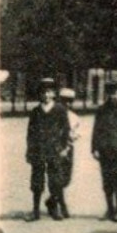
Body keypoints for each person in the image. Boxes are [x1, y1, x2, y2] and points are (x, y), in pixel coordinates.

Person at [25, 80, 70, 222]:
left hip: (54, 149)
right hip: (38, 150)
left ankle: (55, 209)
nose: (46, 95)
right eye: (43, 92)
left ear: (54, 93)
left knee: (55, 180)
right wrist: (29, 151)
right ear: (39, 94)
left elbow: (66, 130)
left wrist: (63, 148)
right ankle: (35, 210)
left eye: (49, 92)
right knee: (37, 180)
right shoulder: (35, 111)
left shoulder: (60, 110)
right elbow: (30, 133)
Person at [91, 80, 117, 222]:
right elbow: (96, 130)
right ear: (106, 94)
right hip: (104, 149)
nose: (113, 96)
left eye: (115, 93)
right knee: (106, 180)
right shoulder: (101, 109)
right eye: (110, 93)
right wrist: (94, 148)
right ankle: (109, 208)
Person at [57, 87, 81, 217]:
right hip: (57, 149)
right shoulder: (54, 115)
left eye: (69, 101)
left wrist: (74, 136)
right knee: (58, 177)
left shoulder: (74, 117)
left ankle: (51, 200)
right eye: (64, 101)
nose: (67, 104)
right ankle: (62, 205)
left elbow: (77, 132)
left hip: (69, 148)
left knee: (66, 179)